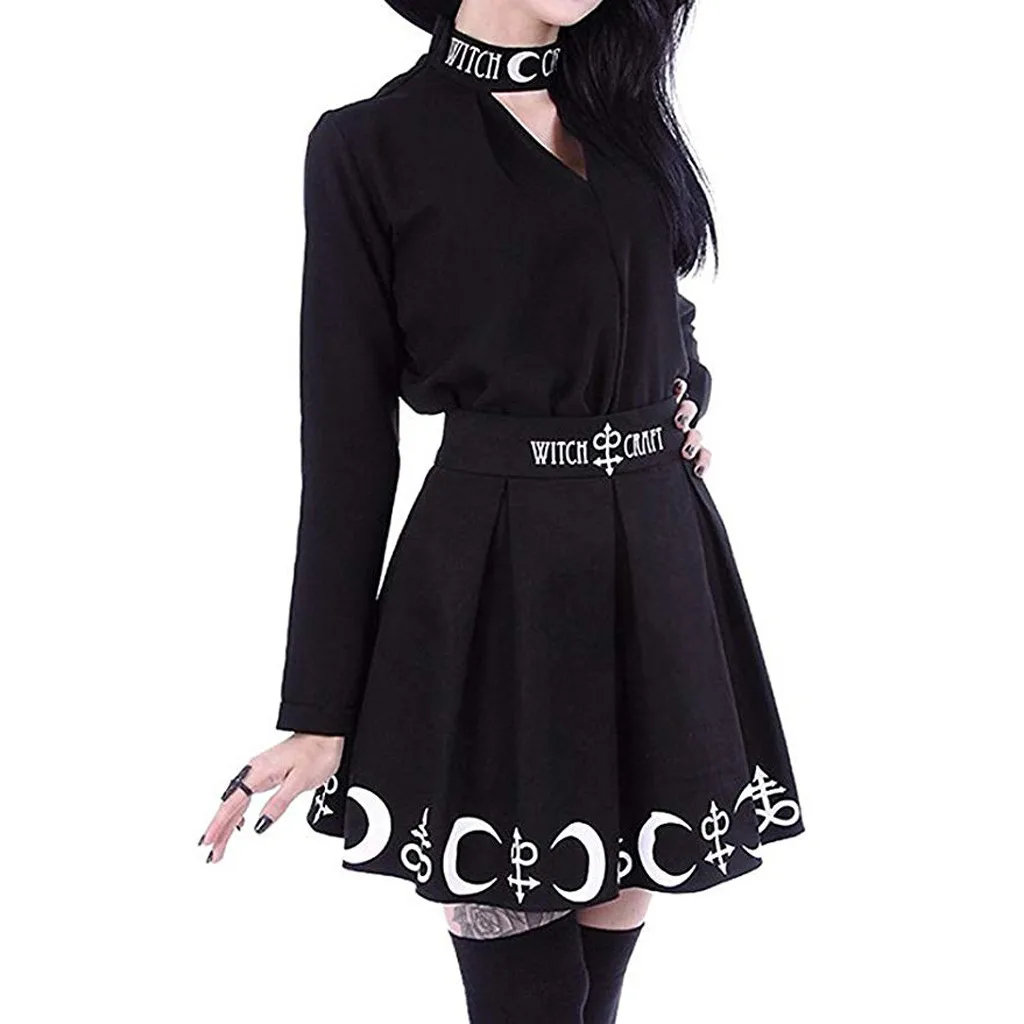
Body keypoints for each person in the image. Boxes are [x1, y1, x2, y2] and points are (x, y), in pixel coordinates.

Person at [199, 1, 805, 1019]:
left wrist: (680, 393)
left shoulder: (616, 109)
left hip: (654, 565)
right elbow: (345, 442)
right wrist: (318, 708)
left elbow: (658, 302)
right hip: (498, 582)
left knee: (597, 986)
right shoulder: (370, 144)